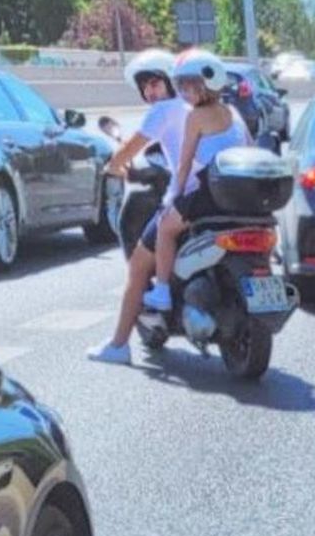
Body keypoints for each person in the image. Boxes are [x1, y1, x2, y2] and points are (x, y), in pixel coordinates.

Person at [86, 49, 187, 367]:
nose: (150, 92)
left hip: (183, 197)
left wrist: (111, 167)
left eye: (155, 83)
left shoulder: (163, 111)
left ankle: (118, 345)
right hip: (214, 193)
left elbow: (131, 147)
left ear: (171, 82)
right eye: (145, 87)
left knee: (138, 266)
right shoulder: (194, 108)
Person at [143, 49, 248, 314]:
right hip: (242, 194)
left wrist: (171, 197)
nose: (183, 93)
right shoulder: (233, 112)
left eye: (189, 86)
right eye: (180, 86)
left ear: (205, 86)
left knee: (165, 227)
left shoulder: (195, 116)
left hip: (212, 193)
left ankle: (163, 291)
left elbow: (184, 162)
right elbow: (251, 146)